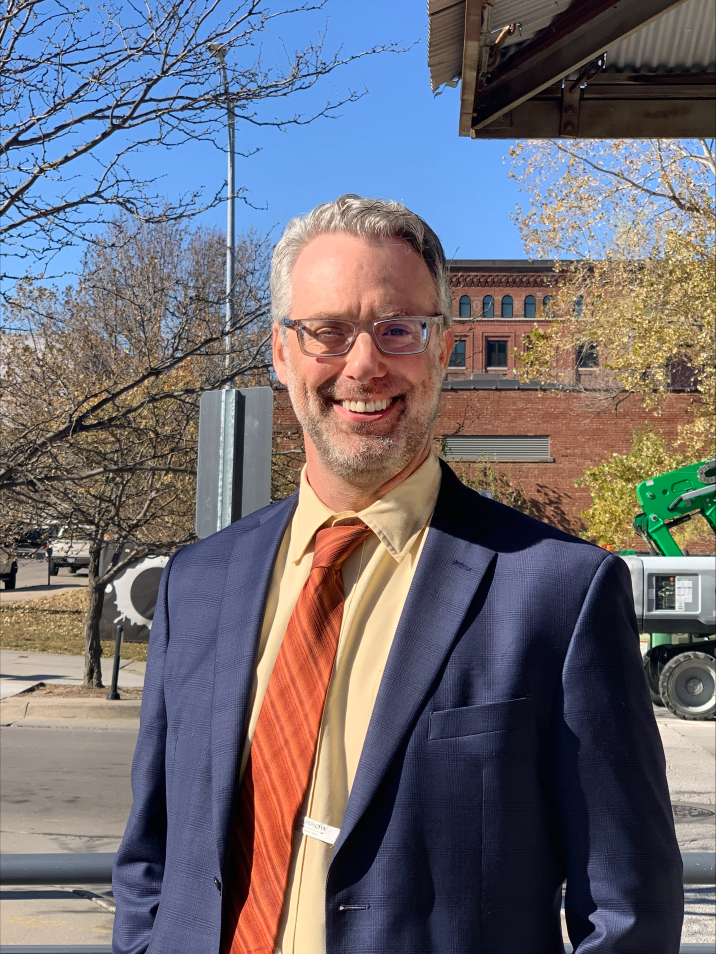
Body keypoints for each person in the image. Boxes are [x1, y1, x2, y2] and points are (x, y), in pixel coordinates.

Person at [112, 195, 683, 954]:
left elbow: (627, 914)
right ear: (281, 352)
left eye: (398, 329)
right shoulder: (197, 583)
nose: (363, 364)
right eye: (328, 331)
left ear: (443, 348)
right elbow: (153, 856)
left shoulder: (558, 593)